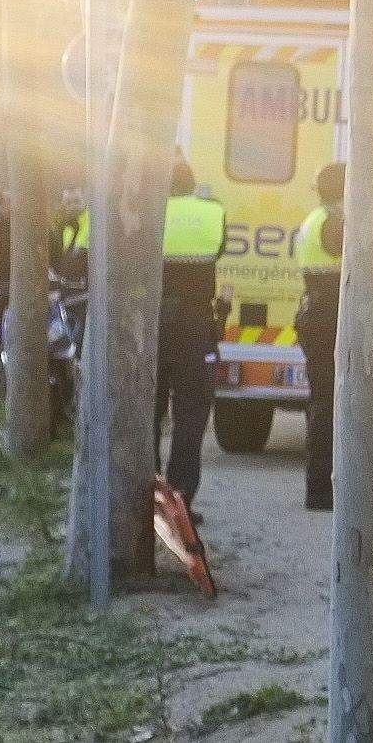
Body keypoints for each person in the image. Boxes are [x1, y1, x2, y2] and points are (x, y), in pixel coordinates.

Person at [156, 161, 228, 508]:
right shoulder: (211, 213)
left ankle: (150, 499)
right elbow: (219, 249)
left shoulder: (149, 213)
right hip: (195, 327)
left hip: (152, 327)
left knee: (148, 417)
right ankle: (180, 500)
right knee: (190, 417)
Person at [296, 163, 346, 511]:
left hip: (316, 314)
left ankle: (320, 487)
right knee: (328, 406)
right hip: (327, 319)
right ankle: (320, 490)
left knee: (322, 403)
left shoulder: (316, 218)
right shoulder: (334, 224)